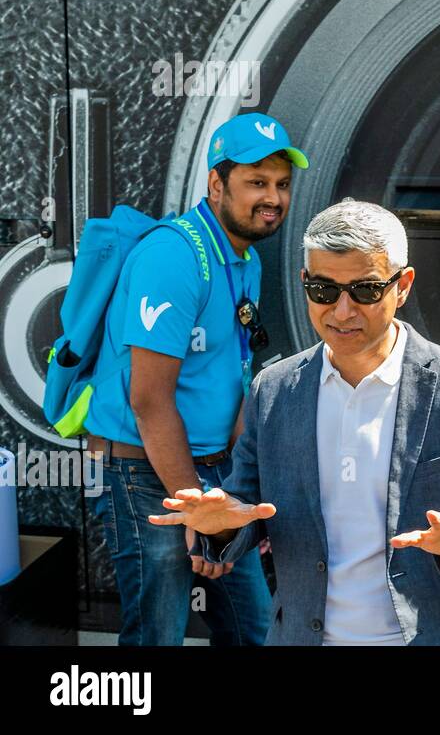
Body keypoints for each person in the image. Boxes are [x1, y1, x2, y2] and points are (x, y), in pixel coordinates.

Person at [149, 198, 440, 645]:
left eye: (365, 290)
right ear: (304, 284)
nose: (341, 311)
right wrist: (221, 524)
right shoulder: (274, 390)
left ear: (403, 286)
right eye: (323, 290)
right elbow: (249, 507)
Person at [85, 112, 309, 645]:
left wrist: (237, 492)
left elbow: (236, 374)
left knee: (256, 631)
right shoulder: (173, 255)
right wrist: (196, 508)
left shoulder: (244, 256)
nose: (272, 198)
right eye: (256, 182)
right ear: (216, 182)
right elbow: (149, 400)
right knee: (156, 636)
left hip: (215, 475)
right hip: (143, 477)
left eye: (280, 184)